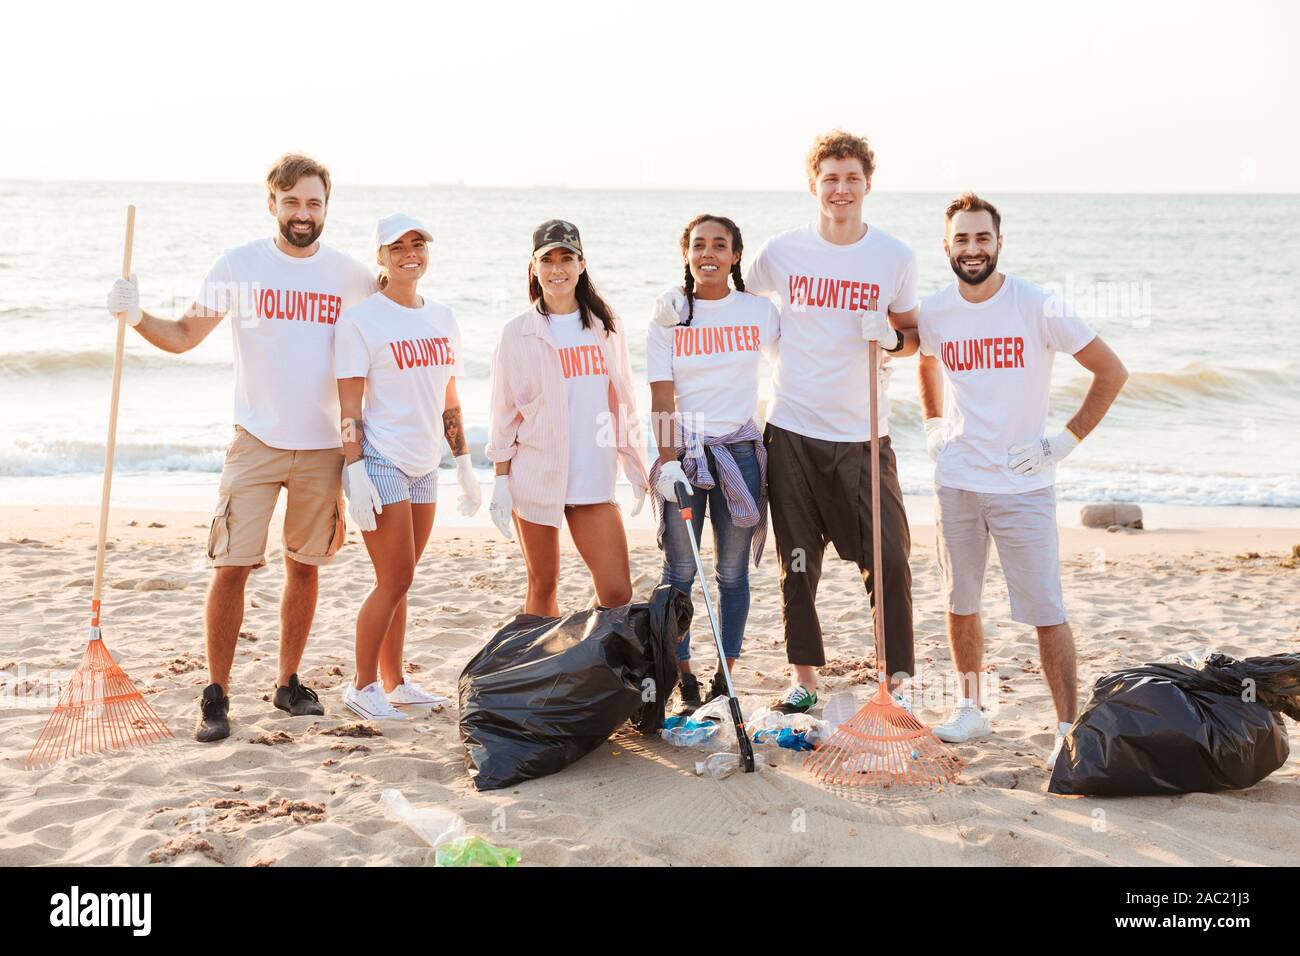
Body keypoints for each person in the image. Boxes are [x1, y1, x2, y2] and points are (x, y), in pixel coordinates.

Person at [105, 153, 376, 742]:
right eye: (292, 202)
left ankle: (287, 683)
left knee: (304, 568)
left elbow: (399, 319)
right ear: (272, 203)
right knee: (231, 567)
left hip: (324, 447)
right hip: (254, 442)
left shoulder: (352, 276)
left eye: (314, 203)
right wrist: (134, 315)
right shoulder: (239, 265)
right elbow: (181, 336)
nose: (303, 214)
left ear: (326, 208)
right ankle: (217, 693)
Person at [917, 193, 1128, 769]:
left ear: (999, 243)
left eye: (982, 237)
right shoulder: (935, 310)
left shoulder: (1037, 304)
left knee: (1044, 608)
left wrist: (1062, 442)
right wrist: (934, 423)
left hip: (1023, 485)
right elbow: (924, 357)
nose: (972, 248)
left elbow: (1111, 371)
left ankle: (1066, 726)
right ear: (947, 247)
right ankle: (971, 707)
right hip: (956, 479)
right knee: (960, 601)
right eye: (961, 239)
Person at [745, 130, 921, 715]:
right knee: (797, 563)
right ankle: (806, 680)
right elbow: (731, 297)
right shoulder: (782, 251)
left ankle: (895, 685)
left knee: (891, 558)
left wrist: (891, 339)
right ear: (813, 185)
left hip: (864, 436)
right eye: (830, 179)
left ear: (868, 184)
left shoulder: (894, 257)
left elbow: (914, 337)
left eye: (851, 179)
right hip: (793, 429)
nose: (841, 189)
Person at [334, 214, 481, 721]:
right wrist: (353, 471)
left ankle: (395, 683)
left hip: (425, 465)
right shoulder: (361, 320)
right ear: (381, 256)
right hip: (380, 460)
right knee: (392, 578)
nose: (409, 254)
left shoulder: (442, 317)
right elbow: (349, 405)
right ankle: (362, 685)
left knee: (405, 577)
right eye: (397, 247)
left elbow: (449, 396)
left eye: (418, 244)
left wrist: (462, 461)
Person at [646, 214, 780, 713]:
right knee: (680, 570)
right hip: (684, 456)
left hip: (740, 455)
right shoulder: (669, 317)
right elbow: (660, 393)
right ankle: (683, 677)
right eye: (698, 245)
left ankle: (726, 676)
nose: (708, 253)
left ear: (735, 255)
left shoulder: (758, 312)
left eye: (719, 245)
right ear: (686, 253)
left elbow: (799, 358)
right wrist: (667, 462)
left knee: (731, 574)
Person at [485, 220, 649, 615]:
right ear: (534, 266)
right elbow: (504, 413)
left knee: (615, 592)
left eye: (567, 258)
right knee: (543, 584)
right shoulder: (517, 333)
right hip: (536, 474)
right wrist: (501, 481)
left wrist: (635, 465)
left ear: (581, 264)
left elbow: (623, 397)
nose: (557, 269)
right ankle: (542, 671)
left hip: (592, 473)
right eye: (547, 259)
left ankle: (579, 643)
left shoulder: (605, 325)